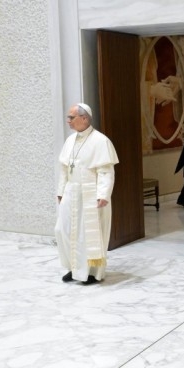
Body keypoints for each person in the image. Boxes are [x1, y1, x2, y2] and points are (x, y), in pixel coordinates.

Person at [55, 103, 119, 285]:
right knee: (63, 230)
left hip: (90, 193)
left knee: (89, 234)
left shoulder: (101, 141)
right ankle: (74, 268)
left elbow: (106, 171)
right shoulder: (70, 141)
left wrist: (103, 195)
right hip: (71, 192)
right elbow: (64, 169)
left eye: (71, 117)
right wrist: (61, 191)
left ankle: (91, 272)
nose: (68, 121)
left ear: (84, 118)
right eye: (68, 117)